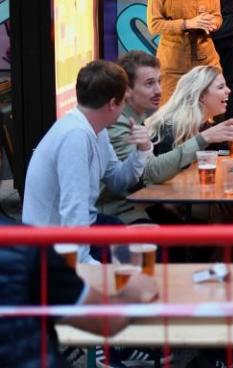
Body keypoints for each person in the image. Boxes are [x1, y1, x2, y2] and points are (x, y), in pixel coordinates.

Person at [22, 61, 150, 263]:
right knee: (140, 255)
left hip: (85, 225)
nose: (125, 107)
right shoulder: (75, 136)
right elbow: (74, 210)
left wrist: (142, 150)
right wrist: (87, 268)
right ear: (112, 104)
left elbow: (117, 180)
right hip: (51, 245)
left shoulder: (95, 128)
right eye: (124, 101)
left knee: (141, 242)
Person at [101, 51, 233, 224]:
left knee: (227, 207)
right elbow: (149, 174)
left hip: (147, 204)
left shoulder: (138, 119)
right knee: (218, 213)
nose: (158, 90)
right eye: (149, 84)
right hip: (122, 213)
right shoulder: (120, 123)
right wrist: (204, 139)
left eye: (159, 82)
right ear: (127, 90)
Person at [0, 217, 159, 368]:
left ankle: (110, 348)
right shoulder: (23, 246)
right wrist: (134, 289)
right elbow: (108, 321)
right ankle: (105, 349)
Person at [144, 65, 233, 261]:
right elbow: (161, 185)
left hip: (189, 200)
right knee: (229, 205)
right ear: (201, 95)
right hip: (164, 208)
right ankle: (221, 267)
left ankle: (226, 265)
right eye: (220, 87)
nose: (228, 91)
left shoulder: (203, 125)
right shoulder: (173, 127)